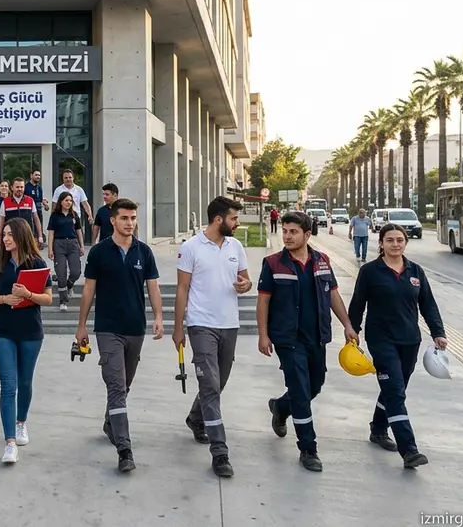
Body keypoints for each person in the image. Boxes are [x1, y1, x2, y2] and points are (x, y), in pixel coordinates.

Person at [256, 211, 358, 473]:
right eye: (285, 231)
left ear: (307, 235)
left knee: (315, 385)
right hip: (288, 338)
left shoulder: (322, 261)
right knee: (301, 391)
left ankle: (281, 407)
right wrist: (263, 334)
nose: (287, 236)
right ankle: (308, 449)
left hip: (317, 336)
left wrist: (347, 325)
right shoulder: (273, 263)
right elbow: (263, 300)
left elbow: (333, 295)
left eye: (293, 232)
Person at [348, 222, 448, 469]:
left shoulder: (415, 271)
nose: (395, 244)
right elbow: (358, 302)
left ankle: (378, 428)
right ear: (381, 243)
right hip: (381, 339)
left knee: (396, 388)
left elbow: (428, 304)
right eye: (390, 240)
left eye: (399, 240)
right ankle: (409, 449)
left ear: (405, 243)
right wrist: (352, 330)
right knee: (394, 392)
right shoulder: (370, 271)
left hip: (410, 339)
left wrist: (438, 332)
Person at [75, 198, 164, 472]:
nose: (130, 223)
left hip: (135, 328)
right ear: (112, 220)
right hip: (108, 328)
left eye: (133, 218)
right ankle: (124, 449)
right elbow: (88, 290)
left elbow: (153, 287)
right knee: (115, 386)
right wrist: (81, 326)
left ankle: (110, 422)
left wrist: (158, 317)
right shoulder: (99, 252)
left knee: (124, 386)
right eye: (124, 218)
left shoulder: (144, 252)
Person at [173, 196, 253, 478]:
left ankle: (196, 418)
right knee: (209, 385)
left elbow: (246, 279)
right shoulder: (191, 247)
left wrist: (246, 285)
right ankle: (220, 452)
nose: (237, 223)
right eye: (234, 218)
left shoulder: (236, 246)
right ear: (219, 219)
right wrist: (178, 328)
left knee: (219, 383)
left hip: (229, 324)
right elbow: (182, 289)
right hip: (201, 325)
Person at [0, 218, 53, 464]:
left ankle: (21, 421)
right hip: (2, 330)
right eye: (3, 234)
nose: (5, 239)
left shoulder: (37, 264)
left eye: (10, 234)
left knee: (25, 382)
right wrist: (4, 299)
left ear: (21, 235)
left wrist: (28, 294)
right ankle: (10, 442)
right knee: (8, 384)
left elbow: (48, 298)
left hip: (30, 331)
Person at [47, 191, 85, 312]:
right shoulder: (55, 216)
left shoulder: (74, 215)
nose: (69, 202)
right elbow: (51, 232)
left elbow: (79, 231)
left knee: (76, 271)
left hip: (73, 244)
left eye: (70, 200)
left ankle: (70, 285)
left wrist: (82, 246)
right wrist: (50, 249)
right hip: (59, 244)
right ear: (61, 202)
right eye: (66, 200)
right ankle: (63, 301)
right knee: (61, 273)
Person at [0, 176, 42, 247]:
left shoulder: (30, 200)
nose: (19, 189)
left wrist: (40, 236)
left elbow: (36, 219)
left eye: (22, 187)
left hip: (27, 236)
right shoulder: (5, 202)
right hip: (11, 237)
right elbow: (1, 222)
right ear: (12, 188)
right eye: (17, 187)